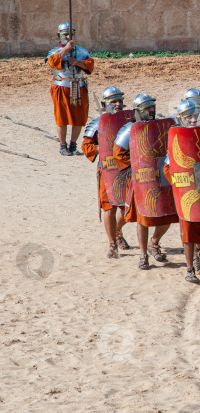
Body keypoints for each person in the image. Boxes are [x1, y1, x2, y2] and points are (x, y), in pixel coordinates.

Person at [112, 94, 177, 270]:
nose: (151, 111)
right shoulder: (130, 128)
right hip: (142, 179)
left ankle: (154, 242)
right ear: (138, 111)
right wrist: (136, 167)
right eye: (147, 108)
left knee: (167, 214)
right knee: (142, 217)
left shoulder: (162, 126)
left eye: (152, 107)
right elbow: (118, 152)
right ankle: (142, 255)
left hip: (162, 176)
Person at [165, 99, 200, 283]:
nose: (192, 120)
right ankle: (190, 268)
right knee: (188, 231)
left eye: (195, 115)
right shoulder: (177, 137)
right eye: (188, 117)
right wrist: (181, 184)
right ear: (181, 118)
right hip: (188, 191)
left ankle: (198, 251)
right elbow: (168, 167)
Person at [81, 86, 130, 259]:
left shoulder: (128, 120)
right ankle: (112, 243)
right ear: (104, 104)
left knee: (127, 208)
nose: (118, 104)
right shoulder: (98, 123)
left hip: (126, 169)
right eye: (113, 101)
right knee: (109, 207)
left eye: (120, 101)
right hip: (107, 169)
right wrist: (103, 148)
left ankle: (117, 230)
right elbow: (86, 146)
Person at [46, 22, 94, 156]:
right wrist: (65, 50)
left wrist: (77, 62)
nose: (68, 37)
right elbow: (53, 63)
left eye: (70, 34)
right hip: (61, 87)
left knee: (79, 117)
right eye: (65, 34)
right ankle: (62, 145)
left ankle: (73, 144)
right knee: (61, 117)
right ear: (59, 35)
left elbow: (90, 65)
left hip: (79, 86)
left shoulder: (81, 51)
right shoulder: (54, 52)